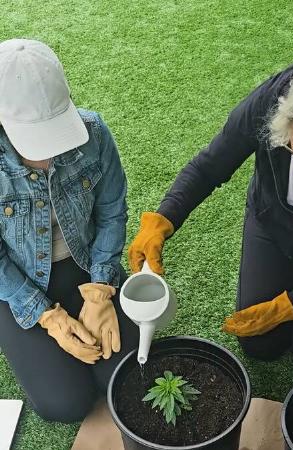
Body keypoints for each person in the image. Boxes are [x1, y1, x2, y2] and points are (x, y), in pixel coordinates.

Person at [128, 50, 293, 376]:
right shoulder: (276, 97)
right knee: (260, 344)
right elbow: (212, 164)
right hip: (276, 223)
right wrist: (163, 219)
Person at [0, 39, 138, 422]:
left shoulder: (94, 133)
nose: (48, 153)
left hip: (86, 263)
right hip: (17, 282)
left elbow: (112, 213)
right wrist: (49, 318)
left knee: (122, 380)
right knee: (65, 404)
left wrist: (100, 291)